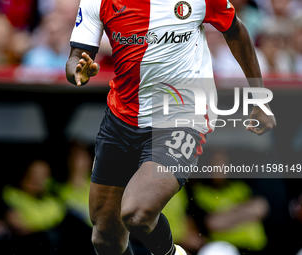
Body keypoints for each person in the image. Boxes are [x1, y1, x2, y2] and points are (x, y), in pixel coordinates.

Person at [65, 1, 277, 255]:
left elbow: (235, 31)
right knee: (104, 237)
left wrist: (258, 95)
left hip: (182, 117)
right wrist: (78, 72)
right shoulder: (97, 1)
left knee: (137, 213)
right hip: (120, 121)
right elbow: (75, 59)